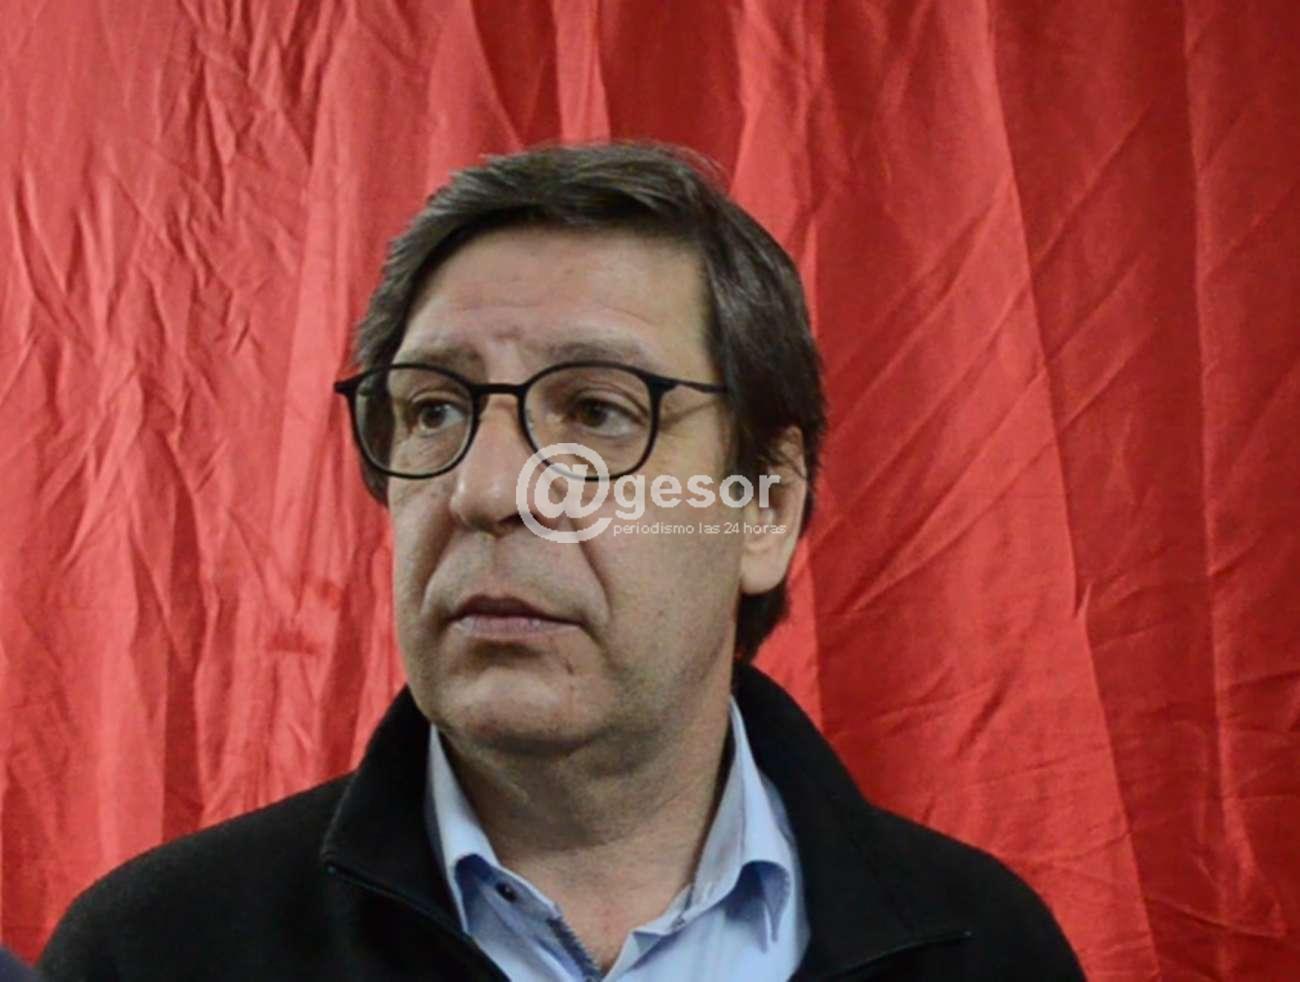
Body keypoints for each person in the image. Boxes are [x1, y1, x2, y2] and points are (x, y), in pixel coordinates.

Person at [39, 142, 1084, 980]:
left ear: (764, 507)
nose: (488, 490)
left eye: (596, 410)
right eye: (435, 410)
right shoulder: (157, 951)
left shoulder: (983, 949)